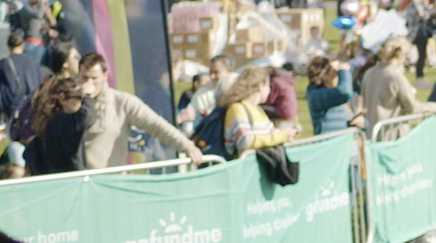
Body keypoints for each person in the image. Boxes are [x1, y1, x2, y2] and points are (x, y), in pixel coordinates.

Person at [73, 53, 205, 169]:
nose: (89, 83)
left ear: (105, 75)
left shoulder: (122, 102)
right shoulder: (69, 103)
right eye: (85, 78)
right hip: (74, 183)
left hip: (109, 183)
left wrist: (186, 145)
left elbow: (156, 124)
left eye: (94, 78)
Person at [361, 35, 436, 128]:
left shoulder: (369, 73)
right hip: (393, 133)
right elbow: (412, 107)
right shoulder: (395, 77)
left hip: (372, 132)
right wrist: (434, 107)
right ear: (402, 55)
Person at [22, 76, 96, 176]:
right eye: (78, 98)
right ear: (62, 100)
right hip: (72, 185)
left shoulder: (46, 125)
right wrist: (87, 95)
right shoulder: (63, 121)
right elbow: (87, 116)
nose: (80, 103)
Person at [219, 67, 297, 156]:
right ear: (260, 86)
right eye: (268, 85)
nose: (269, 90)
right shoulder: (237, 108)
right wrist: (282, 136)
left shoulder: (258, 110)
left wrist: (289, 133)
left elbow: (271, 134)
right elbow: (244, 141)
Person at [1, 31, 44, 138]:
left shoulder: (4, 64)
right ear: (23, 45)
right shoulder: (34, 63)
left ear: (8, 46)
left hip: (13, 112)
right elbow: (40, 86)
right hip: (32, 110)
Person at [305, 56, 361, 135]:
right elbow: (344, 93)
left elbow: (354, 117)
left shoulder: (340, 90)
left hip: (346, 142)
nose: (336, 76)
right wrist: (343, 71)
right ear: (322, 75)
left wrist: (362, 122)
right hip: (329, 144)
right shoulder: (316, 94)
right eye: (333, 72)